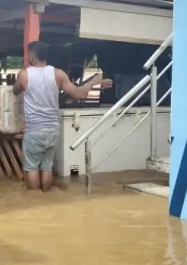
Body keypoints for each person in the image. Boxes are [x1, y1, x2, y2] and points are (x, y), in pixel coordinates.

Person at [14, 41, 113, 192]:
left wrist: (22, 73)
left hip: (34, 130)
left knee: (32, 168)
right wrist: (95, 81)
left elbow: (15, 90)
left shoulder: (24, 75)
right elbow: (79, 94)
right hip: (53, 129)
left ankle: (34, 200)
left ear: (31, 55)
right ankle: (46, 196)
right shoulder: (58, 74)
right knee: (46, 167)